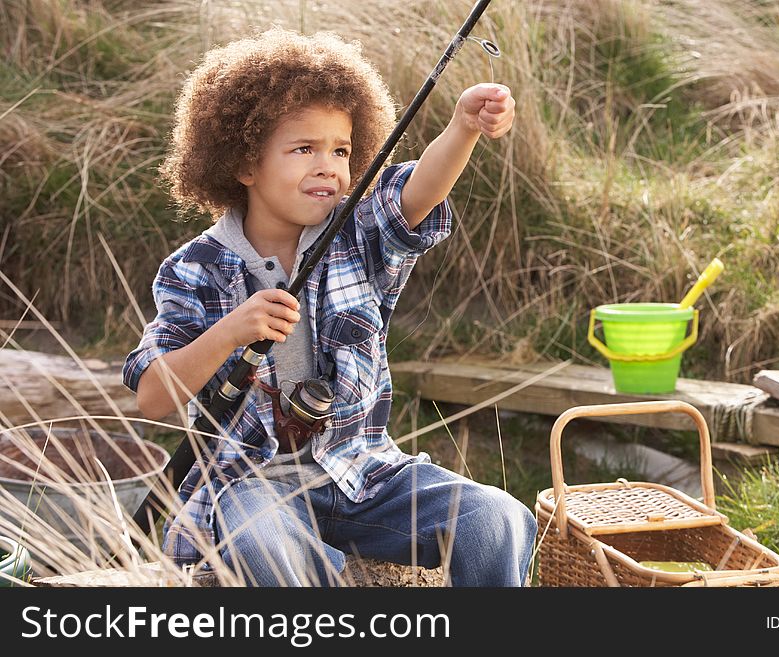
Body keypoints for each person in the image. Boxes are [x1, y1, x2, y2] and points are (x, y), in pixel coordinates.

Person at [123, 28, 537, 586]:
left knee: (498, 518)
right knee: (262, 544)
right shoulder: (192, 269)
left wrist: (463, 127)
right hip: (252, 485)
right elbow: (153, 396)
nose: (328, 166)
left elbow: (417, 191)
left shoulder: (355, 232)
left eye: (340, 150)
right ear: (244, 165)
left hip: (365, 473)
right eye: (303, 149)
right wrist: (230, 330)